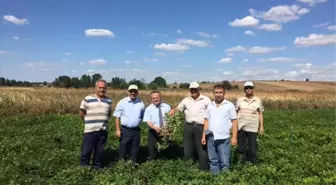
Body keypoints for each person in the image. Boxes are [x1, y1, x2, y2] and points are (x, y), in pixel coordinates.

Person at [170, 81, 211, 170]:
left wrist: (207, 132)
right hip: (188, 126)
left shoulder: (206, 100)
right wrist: (172, 111)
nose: (193, 91)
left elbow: (211, 116)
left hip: (201, 127)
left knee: (202, 148)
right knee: (188, 148)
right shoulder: (186, 100)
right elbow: (178, 109)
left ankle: (204, 169)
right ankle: (189, 169)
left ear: (199, 89)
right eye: (191, 89)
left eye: (195, 89)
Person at [201, 84, 238, 175]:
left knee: (224, 161)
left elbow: (234, 122)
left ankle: (225, 180)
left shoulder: (229, 105)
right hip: (211, 137)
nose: (218, 94)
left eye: (220, 92)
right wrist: (204, 136)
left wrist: (234, 137)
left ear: (224, 93)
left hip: (224, 138)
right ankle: (215, 179)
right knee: (213, 160)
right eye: (216, 92)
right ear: (213, 93)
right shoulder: (210, 105)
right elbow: (206, 121)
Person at [79, 79, 112, 169]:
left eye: (104, 88)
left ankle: (97, 168)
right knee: (86, 151)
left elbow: (108, 114)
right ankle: (84, 169)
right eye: (100, 87)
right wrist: (90, 122)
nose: (102, 90)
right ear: (95, 88)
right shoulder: (87, 99)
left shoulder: (108, 100)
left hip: (103, 131)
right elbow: (82, 113)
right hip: (90, 131)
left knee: (99, 152)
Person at [113, 84, 145, 163]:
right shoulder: (122, 102)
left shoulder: (141, 103)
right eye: (131, 91)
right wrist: (117, 129)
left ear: (137, 92)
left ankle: (132, 164)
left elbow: (143, 115)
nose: (133, 93)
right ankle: (122, 164)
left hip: (136, 130)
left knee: (135, 148)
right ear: (128, 92)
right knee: (123, 147)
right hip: (125, 130)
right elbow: (117, 116)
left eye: (135, 91)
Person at [236, 81, 264, 164]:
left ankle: (252, 164)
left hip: (253, 127)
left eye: (250, 88)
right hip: (241, 126)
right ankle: (242, 163)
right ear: (244, 90)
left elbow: (260, 113)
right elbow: (236, 113)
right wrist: (234, 126)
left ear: (253, 89)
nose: (248, 89)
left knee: (252, 148)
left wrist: (261, 126)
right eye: (246, 88)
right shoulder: (239, 100)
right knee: (241, 147)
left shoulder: (258, 100)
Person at [143, 90, 171, 160]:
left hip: (165, 131)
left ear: (160, 97)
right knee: (152, 149)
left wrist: (167, 128)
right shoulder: (148, 109)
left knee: (165, 149)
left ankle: (164, 162)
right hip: (153, 131)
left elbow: (170, 119)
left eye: (157, 97)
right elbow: (148, 121)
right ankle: (153, 162)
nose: (156, 99)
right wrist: (154, 128)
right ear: (151, 99)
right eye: (154, 98)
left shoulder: (166, 106)